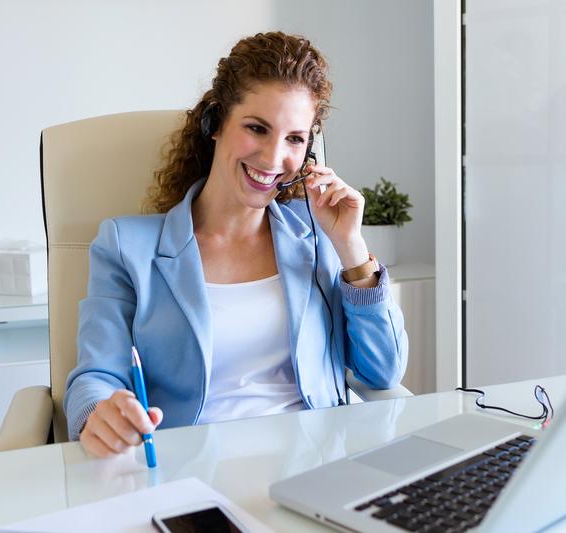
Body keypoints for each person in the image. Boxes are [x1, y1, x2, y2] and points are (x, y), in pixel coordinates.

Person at [64, 31, 408, 458]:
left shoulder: (318, 234)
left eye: (294, 139)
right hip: (189, 473)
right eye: (256, 128)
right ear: (214, 124)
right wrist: (99, 412)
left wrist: (351, 247)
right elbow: (94, 376)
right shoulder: (127, 245)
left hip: (312, 468)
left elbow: (383, 372)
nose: (272, 157)